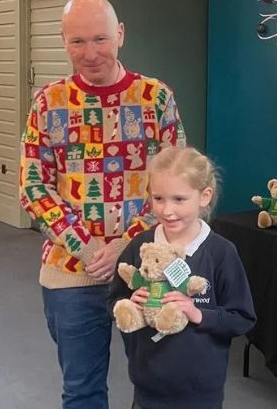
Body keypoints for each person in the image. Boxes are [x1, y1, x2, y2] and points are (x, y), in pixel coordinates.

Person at [18, 0, 187, 409]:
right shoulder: (48, 102)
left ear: (121, 35)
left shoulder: (156, 98)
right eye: (77, 42)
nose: (90, 54)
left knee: (157, 386)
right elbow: (33, 187)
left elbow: (175, 186)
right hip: (71, 273)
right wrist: (89, 247)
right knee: (82, 390)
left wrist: (123, 247)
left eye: (100, 39)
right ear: (63, 42)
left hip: (149, 267)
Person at [108, 147, 256, 408]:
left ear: (204, 197)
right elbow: (115, 299)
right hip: (147, 388)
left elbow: (242, 318)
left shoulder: (221, 253)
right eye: (159, 198)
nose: (167, 210)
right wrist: (131, 302)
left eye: (179, 199)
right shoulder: (140, 246)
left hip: (200, 392)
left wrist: (199, 314)